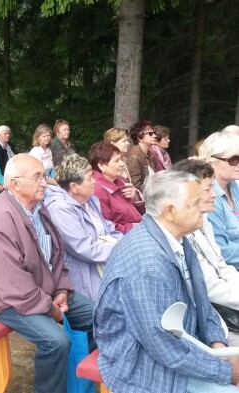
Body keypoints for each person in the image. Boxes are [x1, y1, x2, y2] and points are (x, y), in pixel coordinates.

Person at [94, 170, 239, 393]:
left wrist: (217, 343)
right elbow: (161, 345)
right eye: (195, 202)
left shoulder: (178, 237)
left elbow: (201, 300)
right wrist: (225, 371)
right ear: (170, 211)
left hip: (181, 345)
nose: (203, 206)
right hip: (141, 364)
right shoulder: (147, 265)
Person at [0, 153, 95, 393]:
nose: (45, 182)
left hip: (45, 289)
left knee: (99, 316)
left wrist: (61, 289)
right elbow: (12, 286)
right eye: (38, 177)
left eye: (44, 175)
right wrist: (51, 309)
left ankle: (78, 380)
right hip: (4, 300)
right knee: (56, 342)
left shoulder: (37, 207)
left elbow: (57, 254)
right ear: (15, 184)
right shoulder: (0, 220)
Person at [173, 159, 239, 346]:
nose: (214, 195)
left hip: (222, 303)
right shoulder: (183, 230)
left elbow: (221, 266)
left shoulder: (204, 220)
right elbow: (209, 286)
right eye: (208, 189)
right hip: (209, 315)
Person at [44, 154, 123, 300]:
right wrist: (122, 250)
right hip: (83, 275)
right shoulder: (60, 209)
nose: (95, 182)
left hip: (102, 265)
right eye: (89, 178)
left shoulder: (89, 200)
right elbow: (83, 248)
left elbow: (108, 228)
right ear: (74, 187)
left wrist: (127, 242)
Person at [198, 131, 239, 268]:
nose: (238, 164)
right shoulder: (208, 196)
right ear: (212, 161)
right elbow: (222, 251)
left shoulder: (233, 186)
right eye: (234, 159)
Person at [88, 141, 144, 234]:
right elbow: (108, 227)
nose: (122, 163)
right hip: (126, 237)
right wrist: (138, 228)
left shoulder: (121, 180)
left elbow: (141, 212)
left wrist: (136, 197)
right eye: (117, 160)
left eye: (121, 159)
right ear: (101, 165)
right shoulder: (97, 190)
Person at [125, 120, 156, 191]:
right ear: (139, 137)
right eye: (150, 133)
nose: (154, 135)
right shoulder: (134, 157)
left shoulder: (150, 154)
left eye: (154, 133)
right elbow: (136, 185)